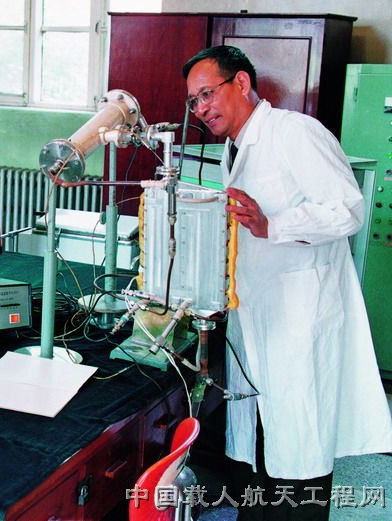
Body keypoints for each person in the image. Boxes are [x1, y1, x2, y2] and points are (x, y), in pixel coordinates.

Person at [182, 45, 392, 520]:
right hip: (258, 316)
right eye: (194, 101)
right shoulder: (234, 149)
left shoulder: (295, 132)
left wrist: (272, 225)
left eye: (207, 93)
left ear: (241, 83)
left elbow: (347, 209)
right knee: (261, 446)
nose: (201, 108)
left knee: (299, 450)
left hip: (301, 320)